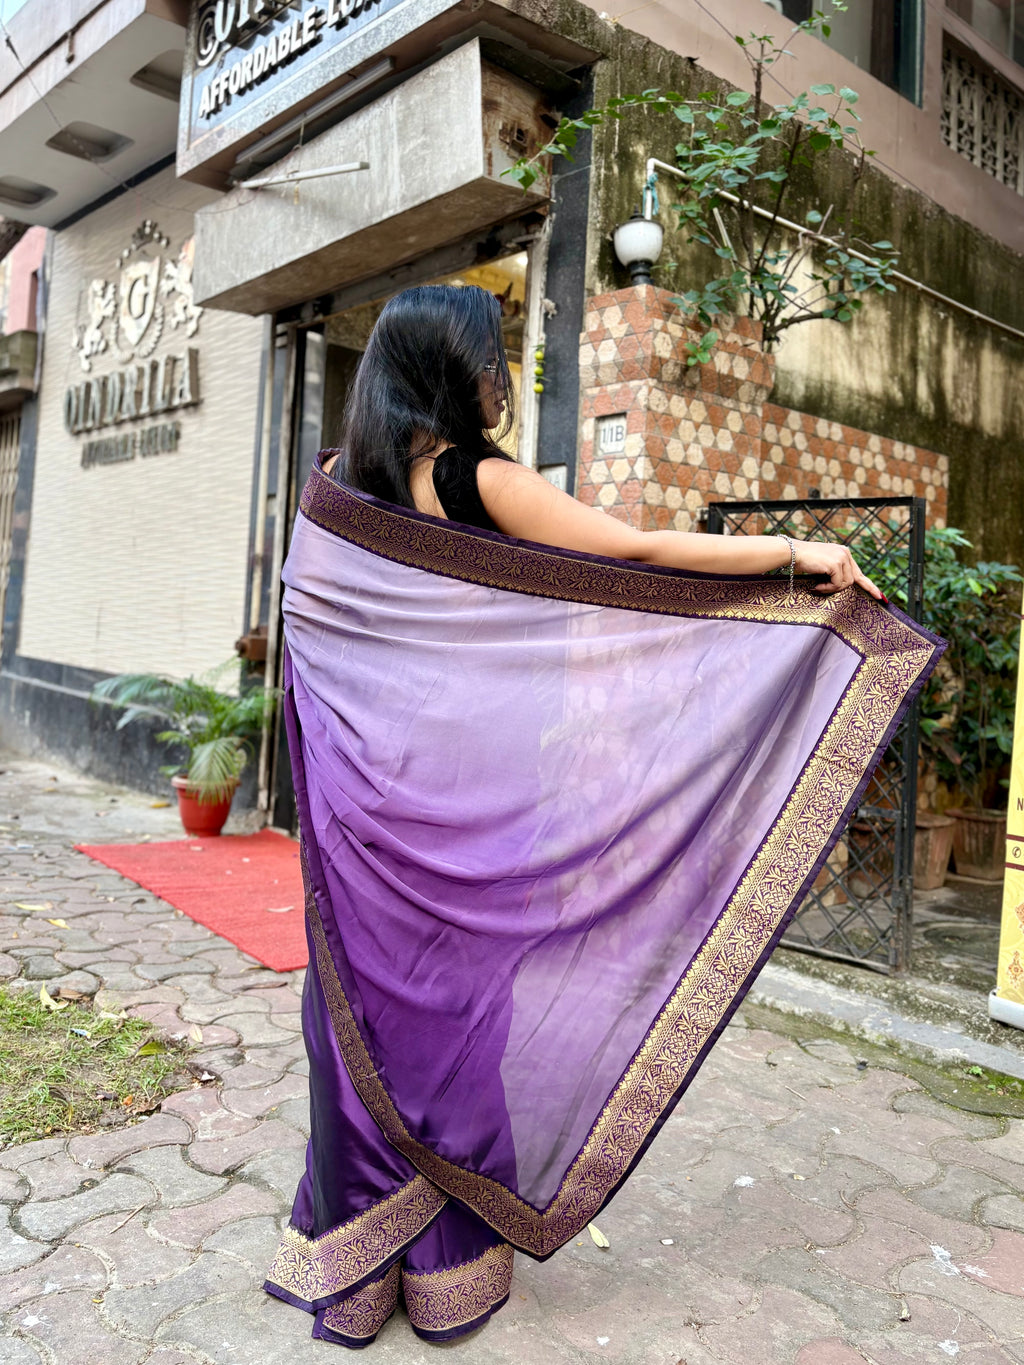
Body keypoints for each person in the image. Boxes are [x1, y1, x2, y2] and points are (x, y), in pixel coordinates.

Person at [264, 284, 941, 1349]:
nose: (503, 377)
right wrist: (790, 555)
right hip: (478, 794)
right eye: (493, 358)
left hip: (367, 801)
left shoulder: (335, 494)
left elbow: (308, 645)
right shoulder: (477, 479)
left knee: (354, 1012)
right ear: (451, 369)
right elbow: (633, 552)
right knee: (462, 1007)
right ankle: (442, 1265)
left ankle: (352, 1265)